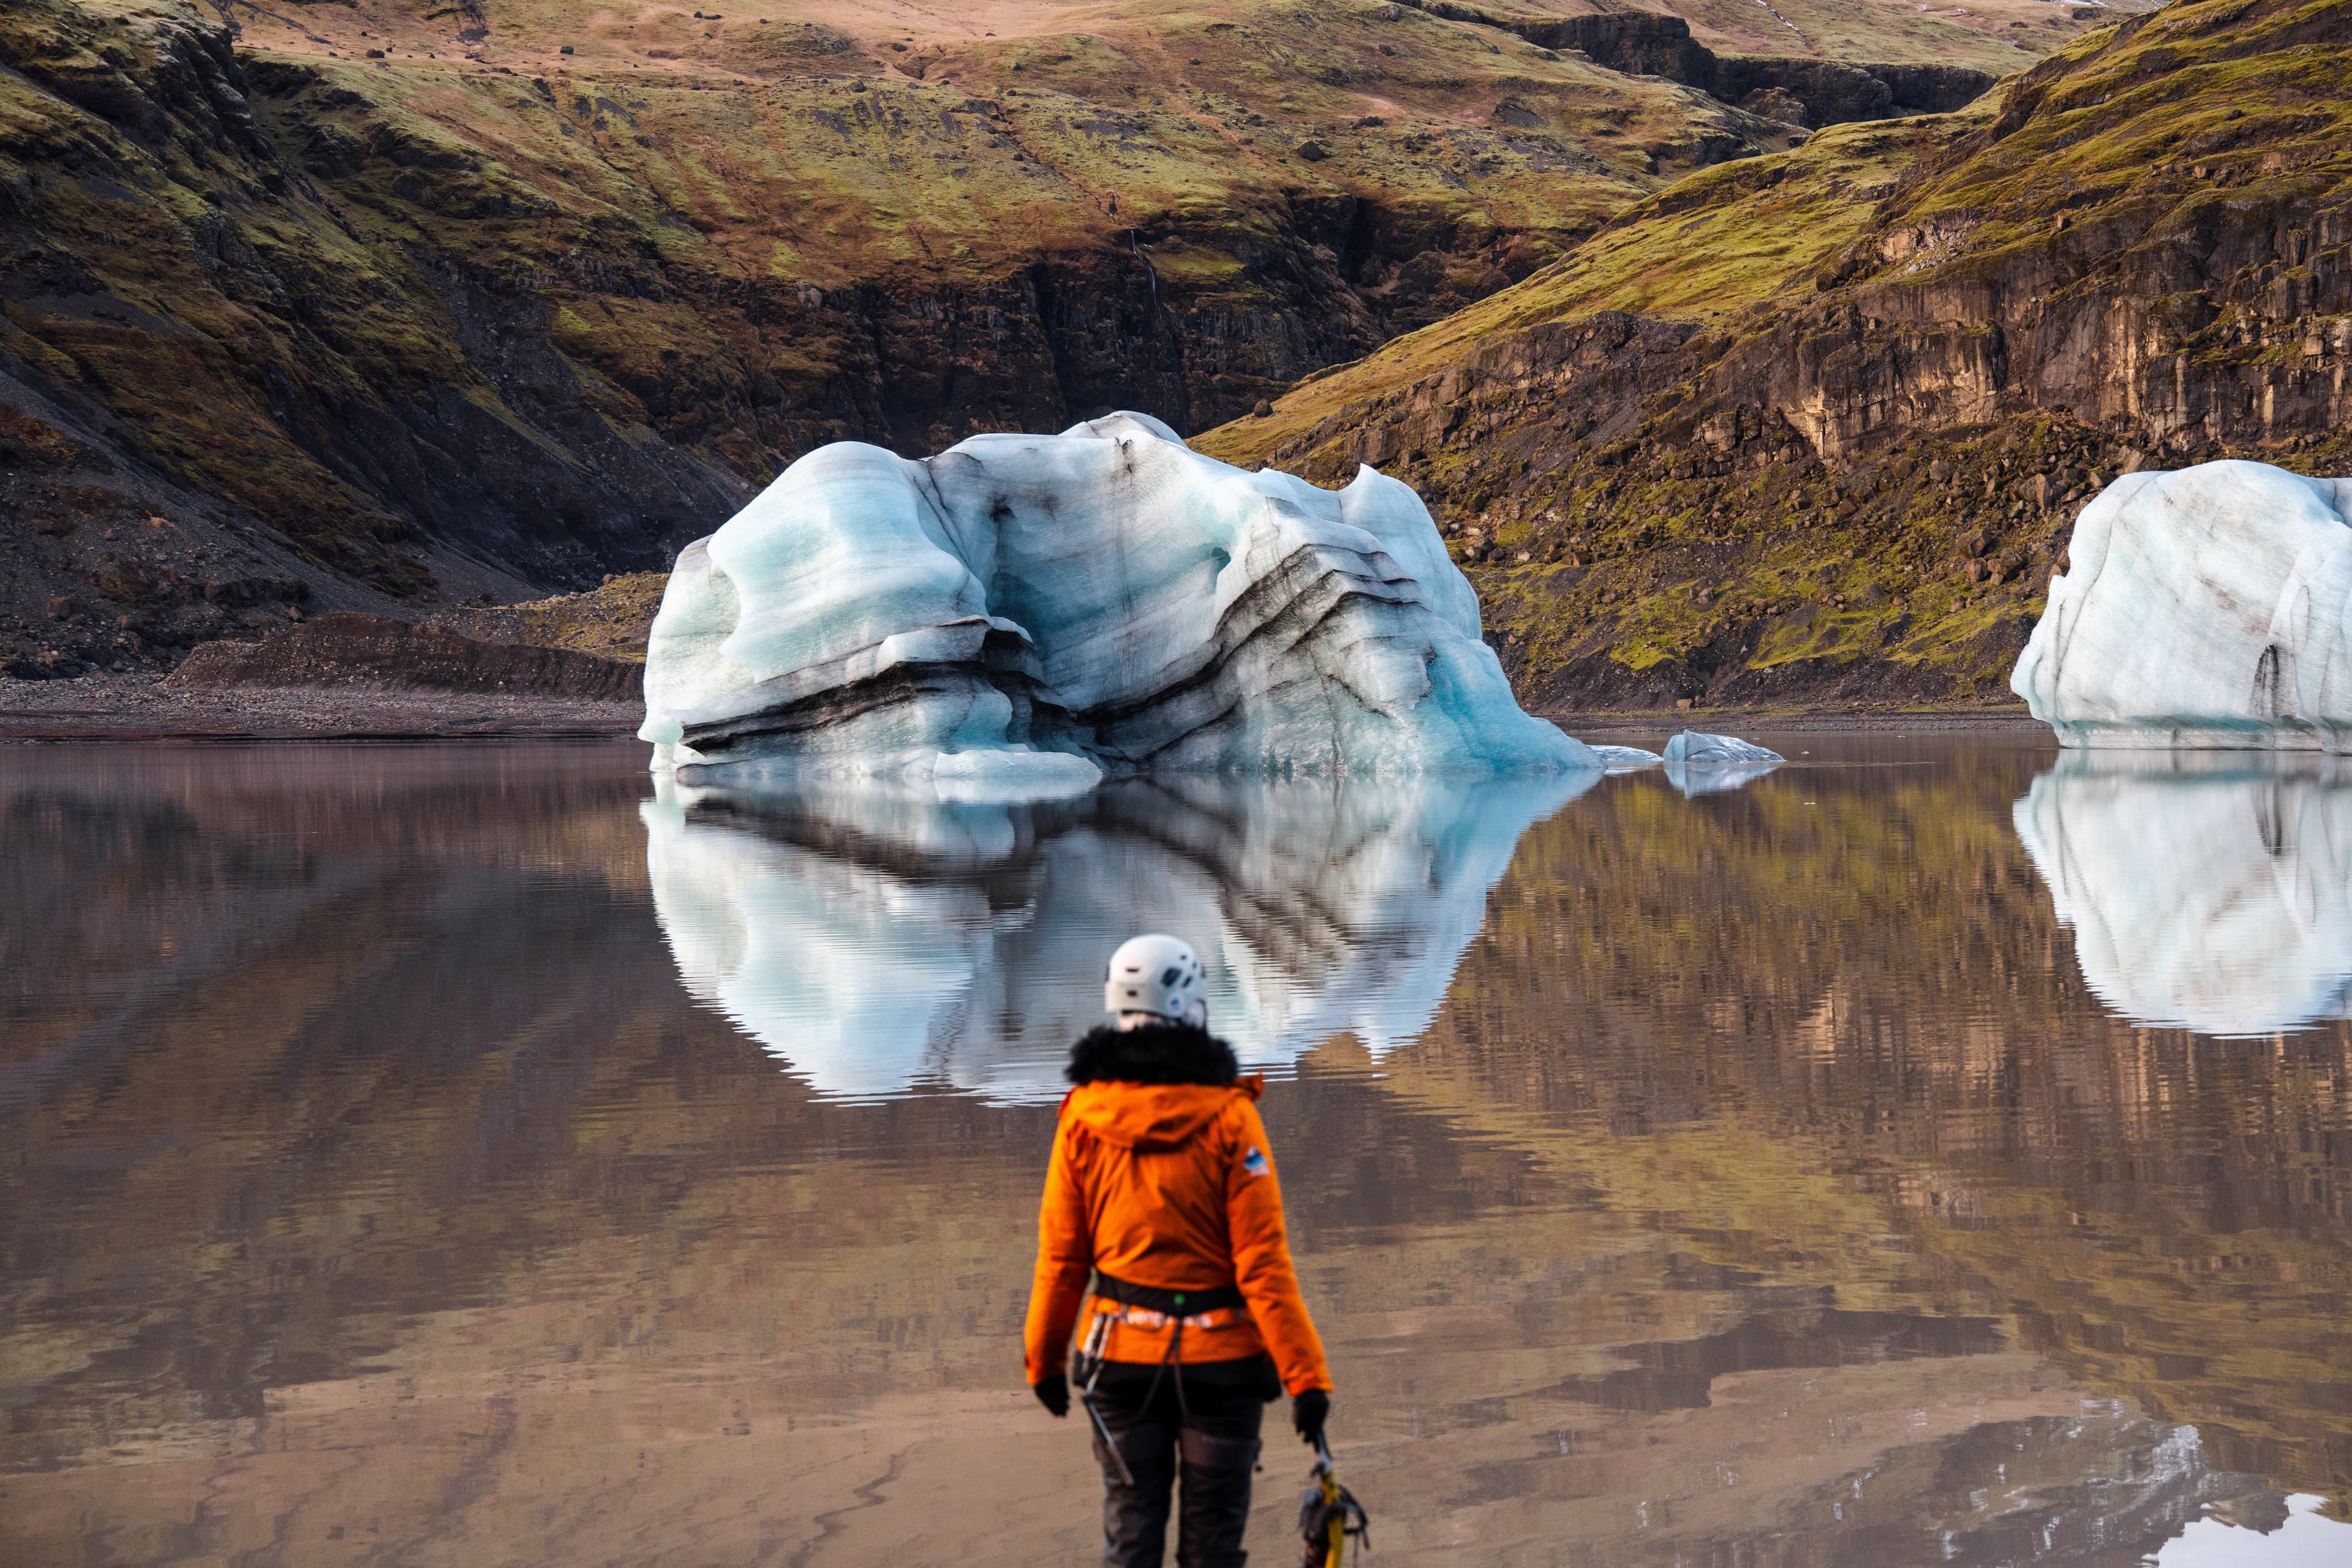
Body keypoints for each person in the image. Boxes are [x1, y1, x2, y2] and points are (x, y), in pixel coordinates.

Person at [1025, 933, 1334, 1567]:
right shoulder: (1231, 1118)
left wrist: (1045, 1361)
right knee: (1212, 1547)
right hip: (1222, 1366)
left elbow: (1062, 1259)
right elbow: (1263, 1265)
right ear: (1192, 1004)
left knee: (1132, 1537)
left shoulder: (1082, 1116)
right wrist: (1306, 1379)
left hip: (1119, 1358)